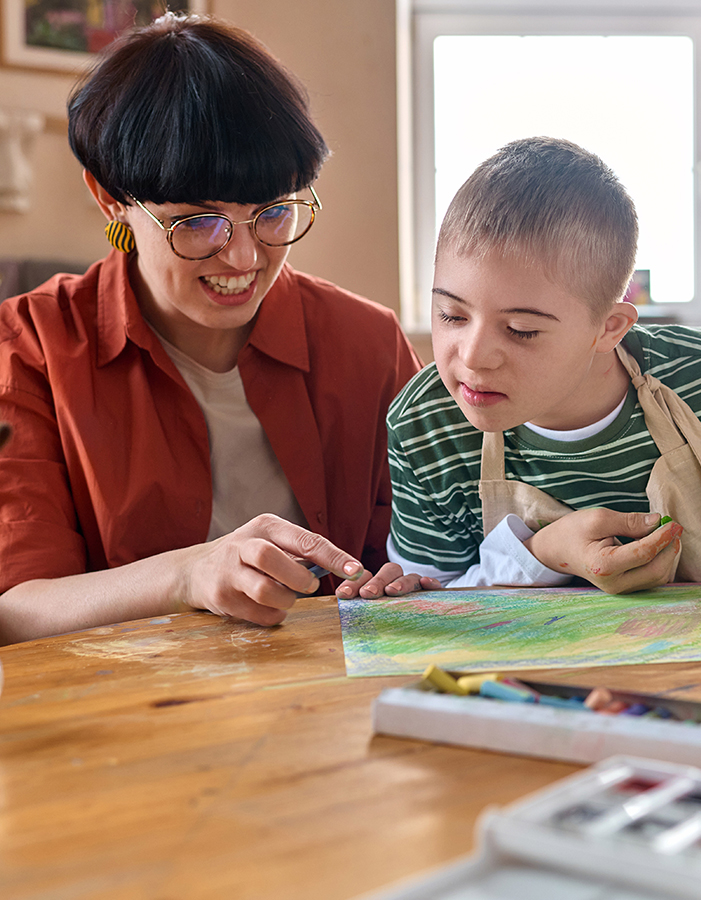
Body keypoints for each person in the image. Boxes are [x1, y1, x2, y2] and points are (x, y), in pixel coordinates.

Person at [0, 14, 420, 644]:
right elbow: (16, 609)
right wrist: (188, 574)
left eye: (273, 212)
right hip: (127, 694)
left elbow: (439, 549)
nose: (245, 258)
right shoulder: (30, 348)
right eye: (198, 222)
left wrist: (411, 577)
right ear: (111, 197)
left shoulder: (368, 343)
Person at [343, 136, 701, 599]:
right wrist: (542, 554)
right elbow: (435, 605)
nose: (473, 356)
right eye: (451, 315)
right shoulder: (425, 424)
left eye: (521, 330)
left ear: (610, 328)